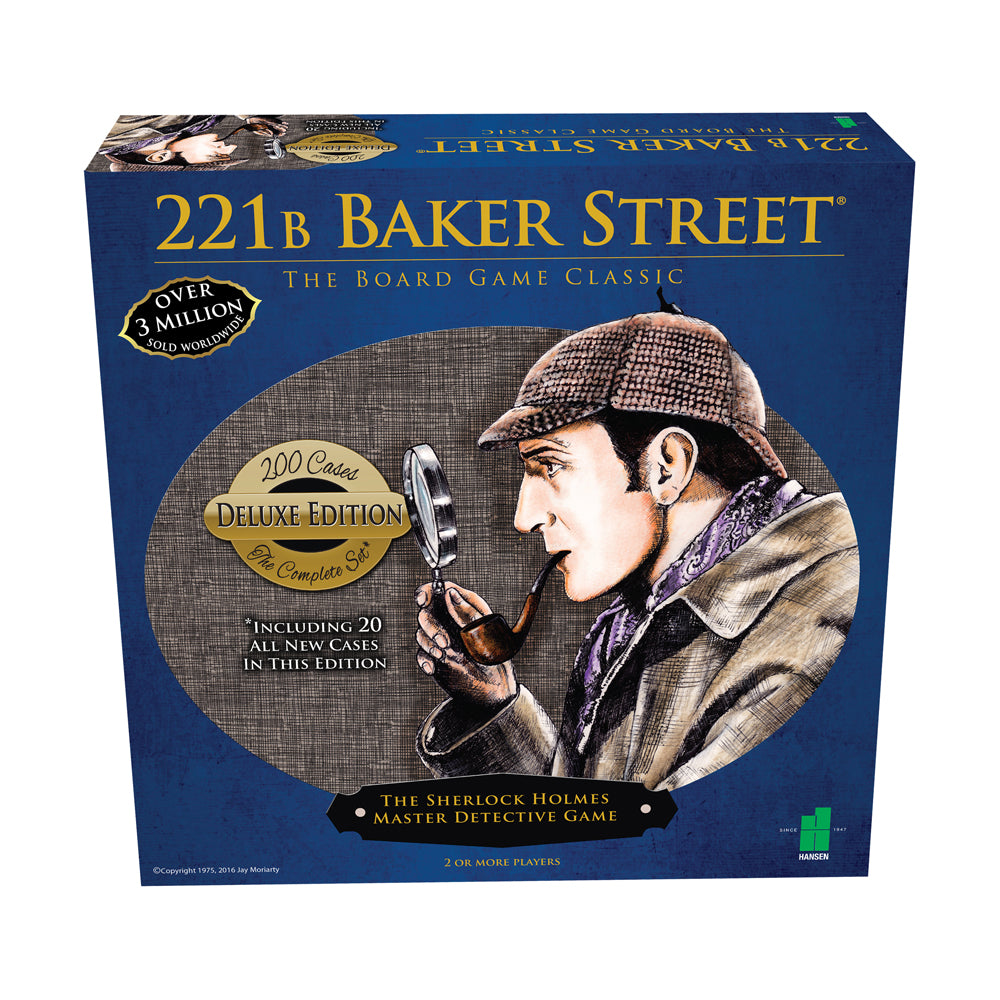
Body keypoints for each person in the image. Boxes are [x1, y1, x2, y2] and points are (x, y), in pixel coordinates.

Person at [413, 305, 859, 791]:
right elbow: (597, 810)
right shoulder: (630, 631)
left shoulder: (818, 620)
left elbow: (661, 831)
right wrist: (497, 703)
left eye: (551, 466)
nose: (526, 517)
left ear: (667, 466)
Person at [100, 115, 287, 169]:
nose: (231, 146)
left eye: (216, 155)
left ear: (160, 157)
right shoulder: (187, 129)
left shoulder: (121, 131)